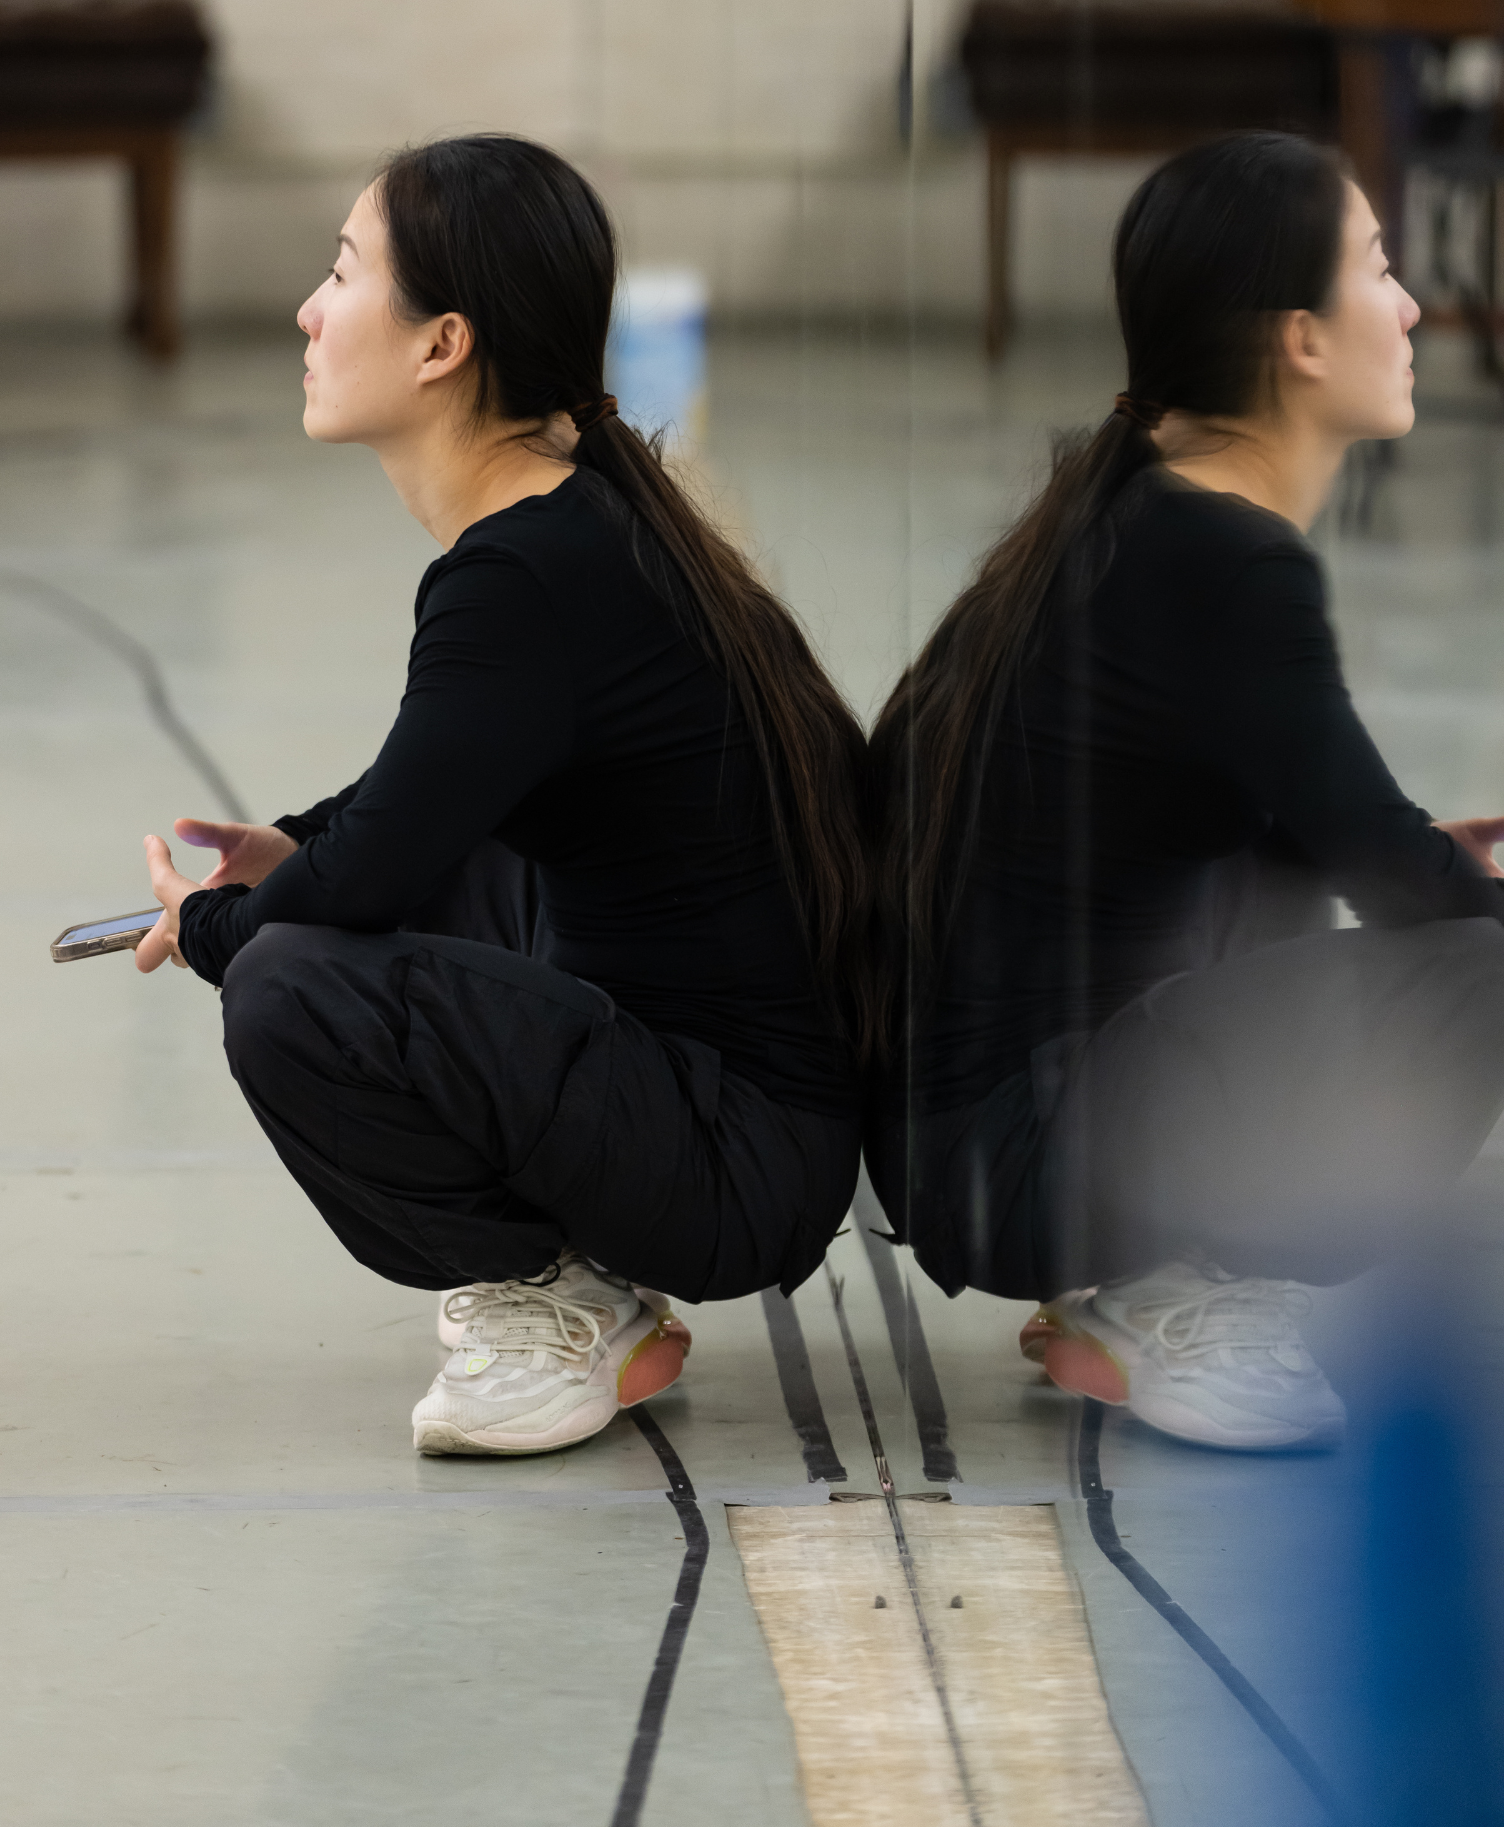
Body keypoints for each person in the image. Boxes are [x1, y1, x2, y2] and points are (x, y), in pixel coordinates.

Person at [134, 133, 871, 1457]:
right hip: (738, 1113)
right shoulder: (574, 520)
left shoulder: (522, 574)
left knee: (289, 985)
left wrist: (210, 929)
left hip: (727, 1160)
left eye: (345, 273)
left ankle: (553, 1302)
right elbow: (440, 796)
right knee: (368, 886)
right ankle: (583, 1290)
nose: (309, 308)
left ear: (442, 345)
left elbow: (367, 885)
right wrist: (290, 848)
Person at [869, 131, 1504, 1452]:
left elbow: (1294, 836)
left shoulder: (1146, 517)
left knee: (1429, 918)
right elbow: (1388, 875)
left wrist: (1440, 865)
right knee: (1474, 970)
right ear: (1298, 340)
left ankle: (1145, 1278)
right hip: (1014, 1152)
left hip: (985, 1143)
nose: (1404, 307)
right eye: (1377, 271)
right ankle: (1195, 1288)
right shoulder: (1219, 557)